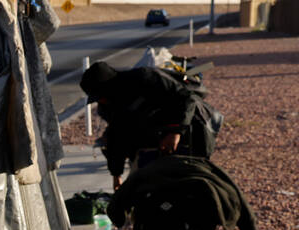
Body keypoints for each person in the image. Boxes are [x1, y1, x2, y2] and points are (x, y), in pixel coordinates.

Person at [81, 60, 206, 190]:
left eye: (100, 96)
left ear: (109, 86)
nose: (100, 101)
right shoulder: (108, 106)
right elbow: (116, 137)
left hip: (185, 137)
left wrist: (175, 132)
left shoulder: (144, 78)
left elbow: (186, 98)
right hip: (148, 151)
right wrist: (116, 175)